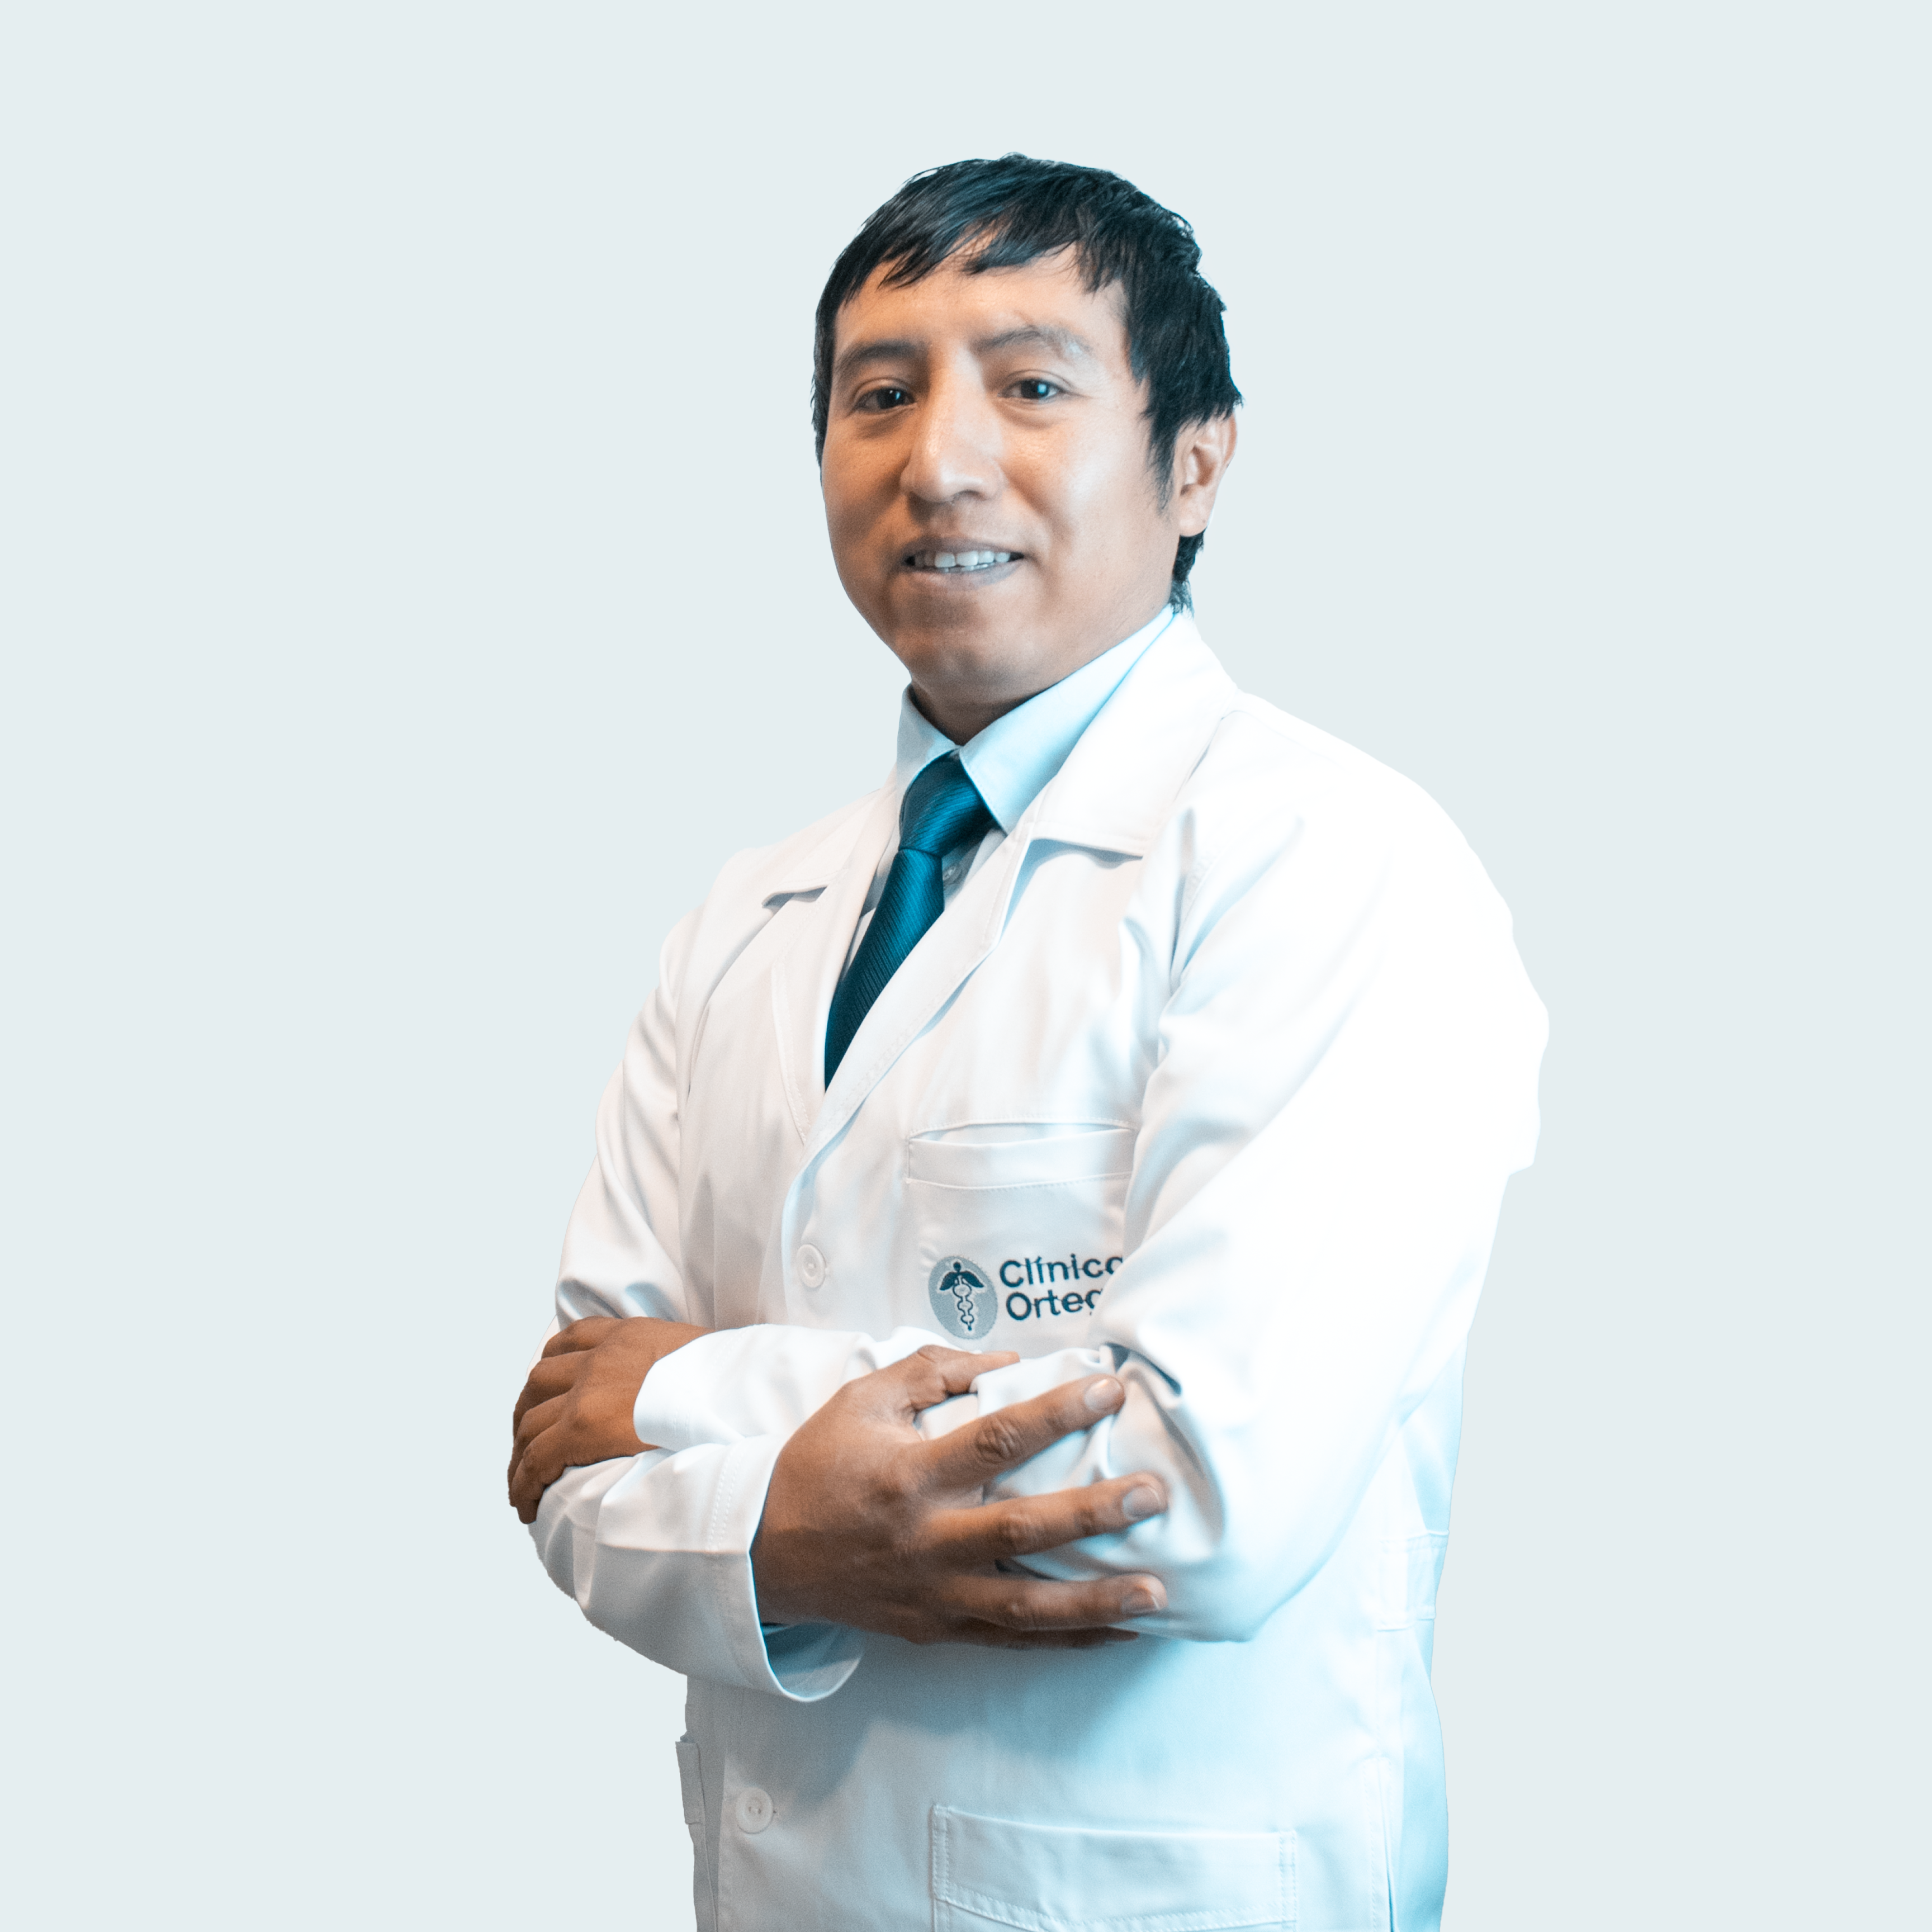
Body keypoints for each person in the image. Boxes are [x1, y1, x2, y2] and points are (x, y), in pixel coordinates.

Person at [508, 154, 1545, 1932]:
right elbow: (564, 1460)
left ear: (1196, 461)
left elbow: (1196, 1493)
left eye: (1033, 385)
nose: (941, 460)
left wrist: (696, 1405)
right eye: (879, 395)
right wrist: (767, 1519)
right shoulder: (746, 920)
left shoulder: (1330, 862)